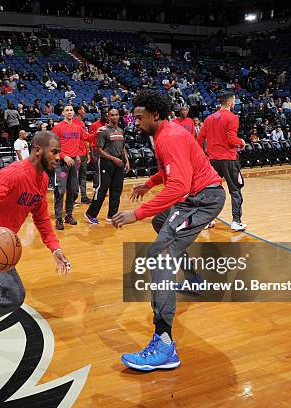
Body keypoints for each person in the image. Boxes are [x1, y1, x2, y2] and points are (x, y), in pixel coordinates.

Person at [112, 91, 225, 371]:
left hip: (203, 200)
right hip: (193, 198)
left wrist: (136, 213)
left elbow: (179, 187)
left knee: (160, 253)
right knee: (161, 223)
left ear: (156, 115)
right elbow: (169, 174)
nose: (135, 122)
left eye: (139, 117)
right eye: (134, 117)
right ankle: (194, 279)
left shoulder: (169, 136)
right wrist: (148, 185)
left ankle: (164, 343)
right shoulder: (162, 134)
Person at [0, 130, 70, 359]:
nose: (58, 157)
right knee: (15, 296)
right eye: (54, 152)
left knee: (5, 282)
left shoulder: (43, 179)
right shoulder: (15, 174)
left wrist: (55, 247)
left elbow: (41, 218)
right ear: (38, 150)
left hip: (4, 242)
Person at [197, 93, 247, 232]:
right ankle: (236, 221)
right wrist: (241, 142)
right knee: (235, 190)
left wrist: (202, 155)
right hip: (229, 159)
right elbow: (231, 139)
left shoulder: (209, 118)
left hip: (212, 160)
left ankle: (208, 220)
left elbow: (199, 139)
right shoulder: (232, 117)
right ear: (230, 103)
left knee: (211, 190)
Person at [85, 108, 129, 224]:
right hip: (106, 162)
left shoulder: (120, 130)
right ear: (108, 117)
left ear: (119, 116)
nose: (114, 117)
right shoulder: (103, 131)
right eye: (112, 115)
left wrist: (127, 161)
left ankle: (112, 215)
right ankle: (90, 214)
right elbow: (99, 150)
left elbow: (123, 147)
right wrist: (113, 158)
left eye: (116, 115)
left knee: (117, 190)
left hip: (119, 163)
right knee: (102, 189)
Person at [52, 105, 88, 230]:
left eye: (71, 110)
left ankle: (68, 215)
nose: (69, 112)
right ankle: (58, 218)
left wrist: (99, 132)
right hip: (61, 163)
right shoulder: (58, 127)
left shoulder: (77, 127)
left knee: (73, 190)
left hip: (73, 163)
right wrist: (63, 156)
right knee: (60, 191)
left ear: (74, 113)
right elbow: (53, 145)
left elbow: (87, 138)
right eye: (67, 110)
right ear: (63, 113)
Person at [73, 105, 92, 205]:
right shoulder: (74, 122)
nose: (85, 111)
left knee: (83, 176)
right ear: (79, 111)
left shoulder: (81, 123)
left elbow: (84, 139)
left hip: (84, 153)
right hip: (77, 154)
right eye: (84, 109)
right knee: (75, 177)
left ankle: (84, 197)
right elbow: (74, 140)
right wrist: (75, 154)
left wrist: (87, 152)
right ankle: (73, 198)